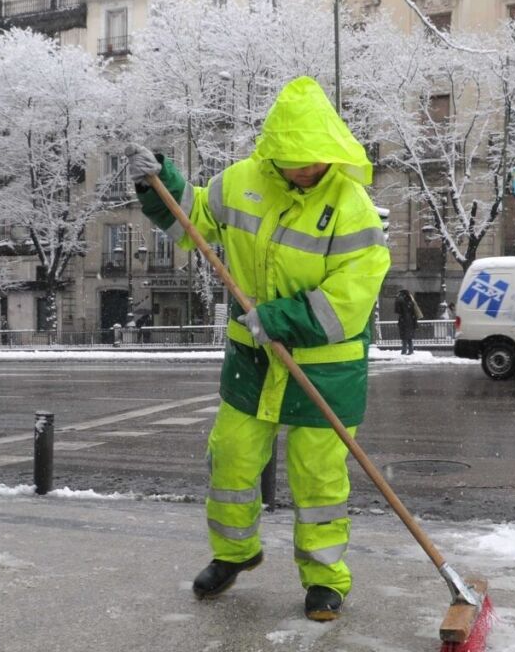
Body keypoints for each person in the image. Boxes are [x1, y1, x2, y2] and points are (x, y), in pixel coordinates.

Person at [125, 76, 390, 622]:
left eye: (314, 158)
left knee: (318, 478)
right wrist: (160, 184)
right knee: (231, 458)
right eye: (294, 159)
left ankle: (325, 578)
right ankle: (235, 552)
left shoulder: (352, 207)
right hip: (253, 359)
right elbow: (194, 220)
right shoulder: (241, 181)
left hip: (326, 367)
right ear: (273, 150)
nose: (305, 169)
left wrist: (279, 317)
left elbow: (352, 297)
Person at [394, 289, 423, 355]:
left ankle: (404, 351)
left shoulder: (401, 301)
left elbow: (397, 310)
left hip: (404, 321)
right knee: (409, 338)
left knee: (404, 338)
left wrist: (397, 299)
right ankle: (410, 350)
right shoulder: (411, 301)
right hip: (411, 321)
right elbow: (413, 312)